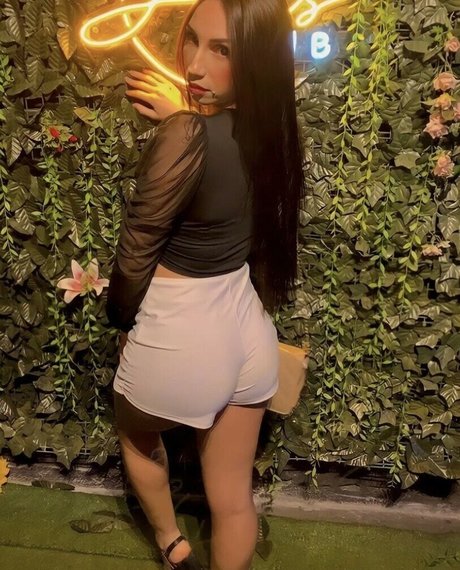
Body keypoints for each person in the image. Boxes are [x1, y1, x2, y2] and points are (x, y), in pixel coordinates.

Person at [105, 0, 305, 568]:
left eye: (222, 50)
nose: (193, 64)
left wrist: (122, 323)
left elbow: (137, 247)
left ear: (254, 60)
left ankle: (172, 543)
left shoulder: (187, 134)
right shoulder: (276, 130)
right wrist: (185, 119)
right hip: (247, 332)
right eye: (192, 40)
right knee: (234, 499)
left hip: (182, 332)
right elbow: (219, 153)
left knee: (136, 435)